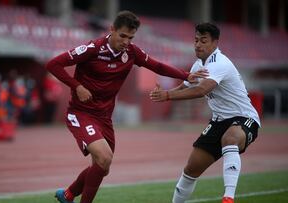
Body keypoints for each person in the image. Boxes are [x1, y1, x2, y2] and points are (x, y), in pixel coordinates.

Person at [46, 11, 207, 203]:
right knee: (104, 158)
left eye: (130, 37)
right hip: (81, 113)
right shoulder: (92, 48)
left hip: (104, 117)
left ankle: (68, 195)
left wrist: (185, 75)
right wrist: (77, 86)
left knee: (102, 167)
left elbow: (157, 66)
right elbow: (53, 64)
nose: (126, 41)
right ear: (112, 30)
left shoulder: (131, 52)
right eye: (122, 36)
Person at [149, 23, 261, 203]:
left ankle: (228, 198)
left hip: (244, 117)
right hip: (218, 121)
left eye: (203, 40)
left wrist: (168, 95)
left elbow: (201, 90)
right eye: (195, 40)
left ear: (215, 43)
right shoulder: (198, 65)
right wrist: (164, 95)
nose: (197, 45)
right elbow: (186, 86)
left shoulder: (220, 63)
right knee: (191, 170)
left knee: (230, 139)